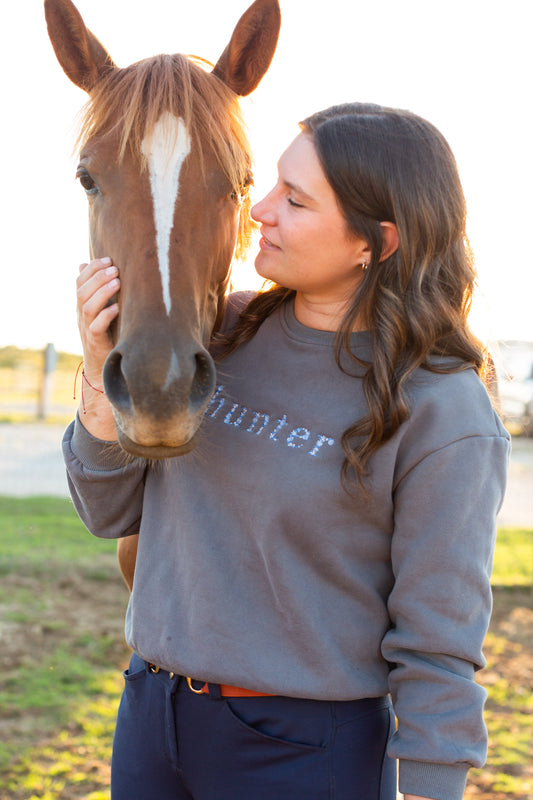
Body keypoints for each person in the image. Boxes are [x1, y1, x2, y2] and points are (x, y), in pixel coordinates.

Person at [63, 102, 510, 800]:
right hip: (151, 717)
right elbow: (108, 509)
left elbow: (438, 639)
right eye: (265, 186)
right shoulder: (220, 335)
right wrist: (98, 368)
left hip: (300, 753)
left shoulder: (441, 409)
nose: (258, 212)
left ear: (377, 242)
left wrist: (430, 785)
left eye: (293, 201)